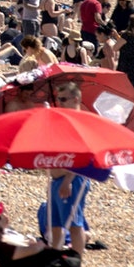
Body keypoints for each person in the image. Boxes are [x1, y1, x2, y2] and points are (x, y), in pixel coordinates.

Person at [49, 82, 89, 255]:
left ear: (76, 99)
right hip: (58, 179)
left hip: (72, 178)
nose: (60, 103)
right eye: (59, 99)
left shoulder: (80, 122)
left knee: (74, 224)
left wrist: (68, 180)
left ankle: (77, 261)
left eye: (64, 99)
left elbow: (82, 155)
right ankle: (55, 258)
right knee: (56, 225)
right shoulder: (65, 121)